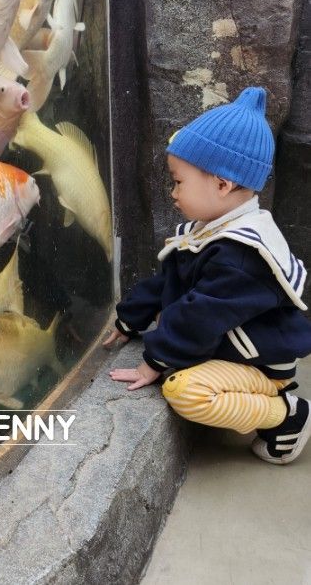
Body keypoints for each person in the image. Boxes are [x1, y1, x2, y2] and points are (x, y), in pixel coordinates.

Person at [103, 87, 311, 465]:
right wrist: (129, 317)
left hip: (259, 366)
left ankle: (286, 414)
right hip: (230, 348)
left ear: (222, 184)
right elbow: (170, 280)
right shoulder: (213, 228)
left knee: (184, 391)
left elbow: (201, 315)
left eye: (178, 181)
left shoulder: (243, 255)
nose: (172, 192)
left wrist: (155, 361)